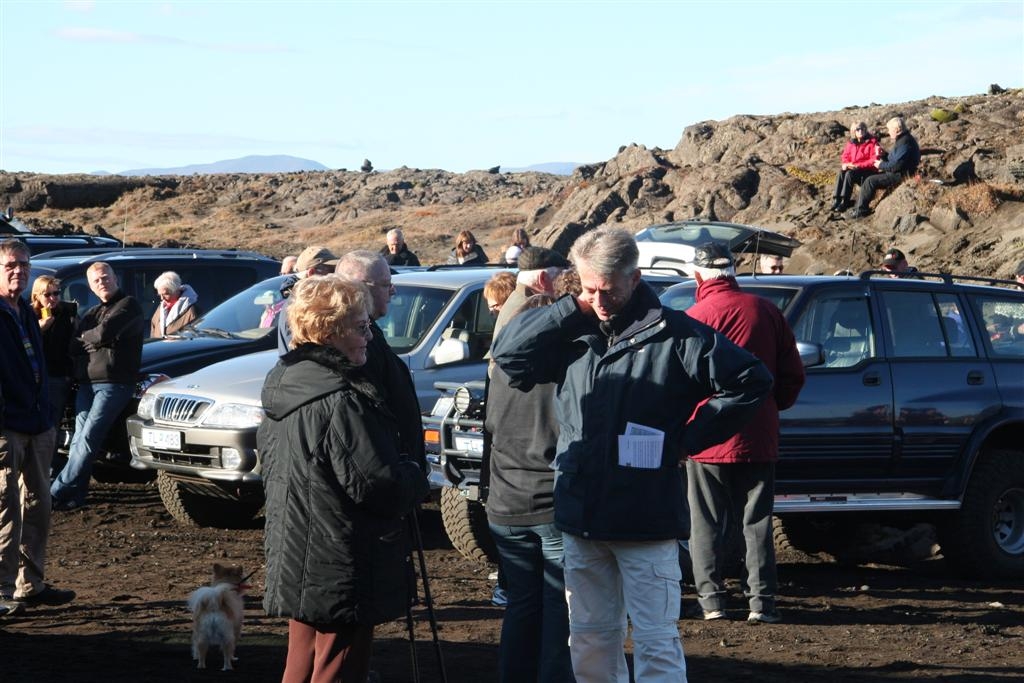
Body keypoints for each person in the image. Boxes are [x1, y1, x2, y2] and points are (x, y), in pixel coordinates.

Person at [492, 227, 772, 683]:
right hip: (581, 516)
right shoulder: (573, 332)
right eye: (589, 289)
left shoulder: (675, 335)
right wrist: (570, 307)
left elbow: (751, 381)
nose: (599, 300)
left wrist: (687, 439)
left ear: (635, 277)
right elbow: (507, 355)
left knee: (655, 641)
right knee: (588, 639)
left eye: (608, 289)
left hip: (645, 521)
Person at [259, 275, 429, 683]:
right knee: (337, 667)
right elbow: (378, 484)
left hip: (299, 550)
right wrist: (414, 475)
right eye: (360, 327)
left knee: (304, 662)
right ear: (329, 331)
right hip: (340, 557)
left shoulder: (286, 384)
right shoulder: (340, 398)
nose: (369, 337)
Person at [685, 242, 805, 625]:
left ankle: (711, 602)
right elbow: (792, 373)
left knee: (704, 521)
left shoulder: (692, 317)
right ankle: (761, 603)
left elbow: (679, 382)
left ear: (698, 275)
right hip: (758, 433)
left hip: (705, 437)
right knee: (757, 522)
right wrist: (770, 406)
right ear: (733, 272)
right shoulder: (766, 311)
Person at [485, 292, 574, 682]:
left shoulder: (499, 372)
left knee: (522, 603)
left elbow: (492, 428)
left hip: (505, 503)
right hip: (549, 503)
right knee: (558, 606)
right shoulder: (563, 372)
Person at [0, 239, 75, 614]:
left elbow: (39, 365)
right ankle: (0, 591)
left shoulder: (26, 312)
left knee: (37, 506)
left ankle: (29, 585)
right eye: (11, 265)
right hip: (6, 426)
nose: (19, 271)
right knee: (5, 509)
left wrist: (45, 413)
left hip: (37, 423)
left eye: (25, 264)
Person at [51, 261, 144, 511]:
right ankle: (75, 496)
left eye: (105, 277)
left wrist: (91, 339)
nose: (102, 282)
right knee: (78, 440)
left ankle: (55, 491)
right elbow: (74, 346)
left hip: (114, 384)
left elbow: (103, 334)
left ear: (115, 278)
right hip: (87, 384)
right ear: (91, 287)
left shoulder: (128, 305)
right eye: (96, 280)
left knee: (89, 438)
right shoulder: (92, 313)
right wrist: (92, 339)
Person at [335, 250, 426, 472]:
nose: (393, 290)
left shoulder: (368, 337)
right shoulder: (354, 345)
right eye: (386, 284)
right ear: (360, 287)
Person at [492, 246, 570, 339]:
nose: (564, 283)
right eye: (560, 276)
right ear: (542, 279)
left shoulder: (518, 300)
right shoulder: (532, 310)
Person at [30, 275, 76, 429]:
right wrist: (40, 329)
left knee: (51, 421)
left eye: (56, 293)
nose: (53, 298)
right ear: (37, 296)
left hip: (58, 374)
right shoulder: (29, 315)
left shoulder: (66, 313)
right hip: (34, 376)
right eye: (47, 294)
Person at [851, 116, 921, 218]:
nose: (888, 132)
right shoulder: (903, 139)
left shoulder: (905, 142)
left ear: (897, 130)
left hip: (901, 175)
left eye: (889, 129)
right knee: (869, 179)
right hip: (899, 172)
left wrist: (880, 165)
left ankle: (860, 211)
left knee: (870, 181)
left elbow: (897, 166)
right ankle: (859, 208)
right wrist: (884, 155)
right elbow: (895, 160)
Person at [277, 245, 338, 354]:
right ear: (311, 273)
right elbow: (306, 354)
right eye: (331, 270)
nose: (335, 275)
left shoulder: (301, 300)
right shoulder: (300, 306)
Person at [831, 121, 881, 212]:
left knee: (849, 174)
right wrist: (847, 164)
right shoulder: (851, 143)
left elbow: (874, 160)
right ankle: (836, 200)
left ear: (865, 130)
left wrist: (858, 165)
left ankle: (845, 201)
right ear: (853, 131)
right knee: (842, 172)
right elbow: (845, 156)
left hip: (868, 171)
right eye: (858, 129)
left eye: (863, 129)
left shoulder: (872, 142)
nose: (860, 131)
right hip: (854, 168)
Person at [150, 271, 199, 338]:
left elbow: (195, 339)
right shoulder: (160, 310)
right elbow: (153, 335)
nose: (162, 298)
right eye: (160, 295)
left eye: (166, 294)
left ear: (176, 291)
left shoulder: (191, 311)